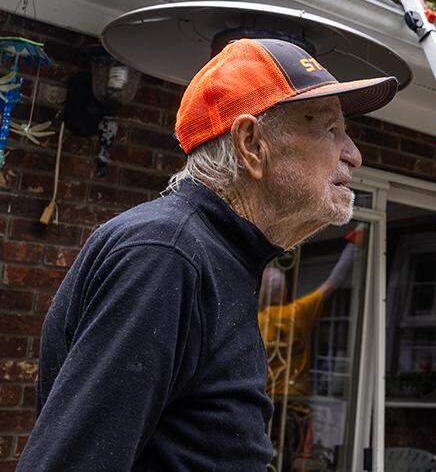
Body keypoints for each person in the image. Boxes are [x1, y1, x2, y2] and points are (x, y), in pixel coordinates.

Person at [20, 38, 399, 470]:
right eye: (329, 129)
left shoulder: (213, 255)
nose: (354, 154)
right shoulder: (165, 256)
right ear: (251, 143)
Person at [259, 225, 361, 468]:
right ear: (284, 292)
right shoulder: (298, 313)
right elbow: (334, 282)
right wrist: (354, 243)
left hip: (264, 405)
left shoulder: (254, 319)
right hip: (294, 406)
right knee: (292, 461)